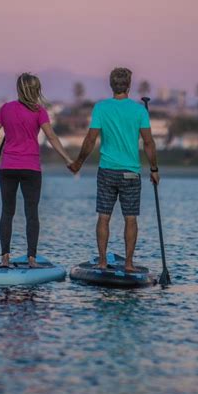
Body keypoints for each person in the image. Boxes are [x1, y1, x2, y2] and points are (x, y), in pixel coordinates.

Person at [69, 67, 159, 272]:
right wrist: (154, 169)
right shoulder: (139, 110)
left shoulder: (101, 108)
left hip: (107, 171)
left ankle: (102, 261)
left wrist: (78, 163)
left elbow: (90, 139)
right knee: (130, 218)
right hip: (130, 173)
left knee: (103, 216)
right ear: (129, 86)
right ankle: (128, 264)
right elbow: (149, 143)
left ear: (111, 85)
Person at [0, 73, 72, 267]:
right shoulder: (39, 111)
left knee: (7, 212)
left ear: (19, 89)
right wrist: (67, 159)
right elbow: (51, 137)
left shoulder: (5, 109)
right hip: (31, 169)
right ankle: (31, 259)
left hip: (8, 167)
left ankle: (5, 258)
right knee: (31, 213)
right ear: (36, 90)